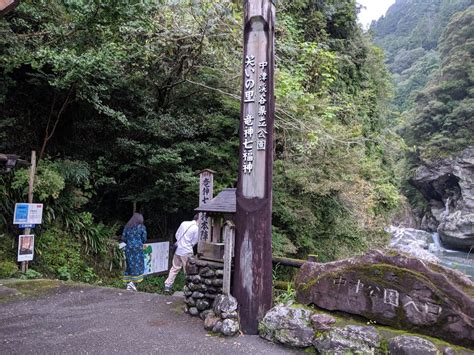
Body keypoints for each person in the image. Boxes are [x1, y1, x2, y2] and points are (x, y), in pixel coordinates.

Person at [164, 214, 199, 294]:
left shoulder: (183, 223)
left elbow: (177, 235)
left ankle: (168, 285)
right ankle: (187, 288)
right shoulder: (196, 228)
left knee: (174, 268)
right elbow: (194, 242)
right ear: (199, 219)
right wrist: (187, 245)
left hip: (178, 250)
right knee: (187, 270)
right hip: (187, 251)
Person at [122, 212, 147, 291]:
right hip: (138, 249)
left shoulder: (127, 227)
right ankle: (133, 283)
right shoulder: (141, 227)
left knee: (130, 264)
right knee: (138, 265)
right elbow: (144, 239)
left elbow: (123, 238)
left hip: (128, 248)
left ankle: (129, 284)